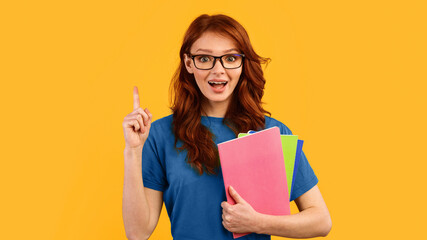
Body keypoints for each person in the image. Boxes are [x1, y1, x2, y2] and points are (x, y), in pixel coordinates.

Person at [122, 14, 331, 240]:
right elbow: (137, 233)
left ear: (243, 63)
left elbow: (320, 221)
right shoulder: (160, 135)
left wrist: (258, 223)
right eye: (204, 59)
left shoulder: (272, 133)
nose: (218, 70)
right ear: (188, 63)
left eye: (230, 58)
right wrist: (133, 151)